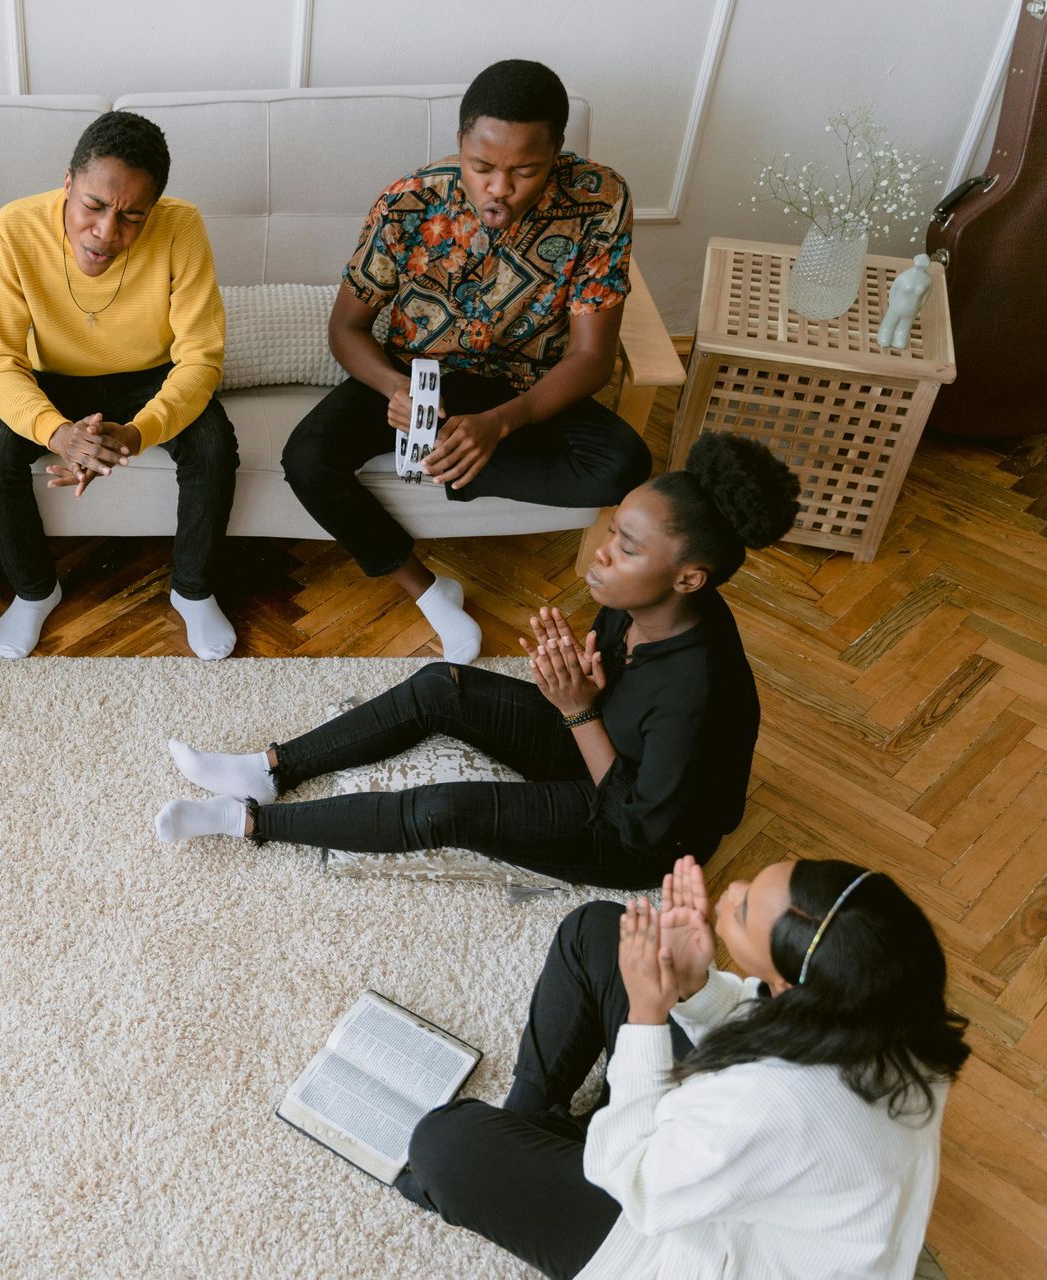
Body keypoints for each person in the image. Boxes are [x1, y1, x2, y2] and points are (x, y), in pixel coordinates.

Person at [155, 433, 800, 890]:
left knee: (446, 810)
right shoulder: (639, 604)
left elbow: (639, 825)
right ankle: (268, 768)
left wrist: (579, 713)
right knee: (444, 685)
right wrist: (581, 684)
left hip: (633, 836)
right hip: (593, 742)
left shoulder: (701, 690)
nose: (602, 554)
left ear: (689, 579)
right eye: (612, 531)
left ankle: (247, 819)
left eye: (627, 548)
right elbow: (611, 696)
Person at [395, 855, 967, 1279]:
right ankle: (529, 1128)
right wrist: (693, 987)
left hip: (688, 1252)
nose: (731, 891)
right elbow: (769, 1028)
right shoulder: (892, 1011)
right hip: (757, 1182)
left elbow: (639, 1183)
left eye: (743, 911)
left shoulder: (770, 1100)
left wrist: (646, 1016)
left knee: (443, 1146)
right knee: (597, 931)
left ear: (791, 984)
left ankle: (519, 1148)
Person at [282, 59, 652, 665]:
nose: (498, 188)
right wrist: (395, 389)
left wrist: (499, 425)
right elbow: (346, 329)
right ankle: (428, 592)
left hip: (530, 386)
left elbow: (592, 358)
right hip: (420, 379)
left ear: (558, 152)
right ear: (460, 144)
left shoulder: (601, 200)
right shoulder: (408, 203)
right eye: (482, 167)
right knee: (306, 457)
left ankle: (443, 459)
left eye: (524, 170)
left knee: (622, 463)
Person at [0, 110, 239, 661]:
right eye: (93, 206)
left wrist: (138, 434)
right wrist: (59, 434)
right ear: (68, 182)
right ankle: (34, 590)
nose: (106, 233)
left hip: (151, 376)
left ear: (155, 209)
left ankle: (194, 591)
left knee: (214, 445)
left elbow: (202, 359)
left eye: (132, 217)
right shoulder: (13, 228)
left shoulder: (182, 227)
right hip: (54, 379)